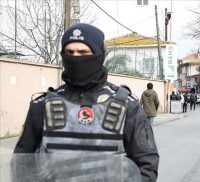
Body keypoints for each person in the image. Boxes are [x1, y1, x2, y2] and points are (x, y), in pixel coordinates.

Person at [14, 23, 159, 182]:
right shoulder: (42, 105)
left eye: (83, 52)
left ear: (99, 55)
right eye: (69, 52)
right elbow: (21, 164)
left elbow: (146, 163)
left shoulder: (128, 106)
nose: (75, 57)